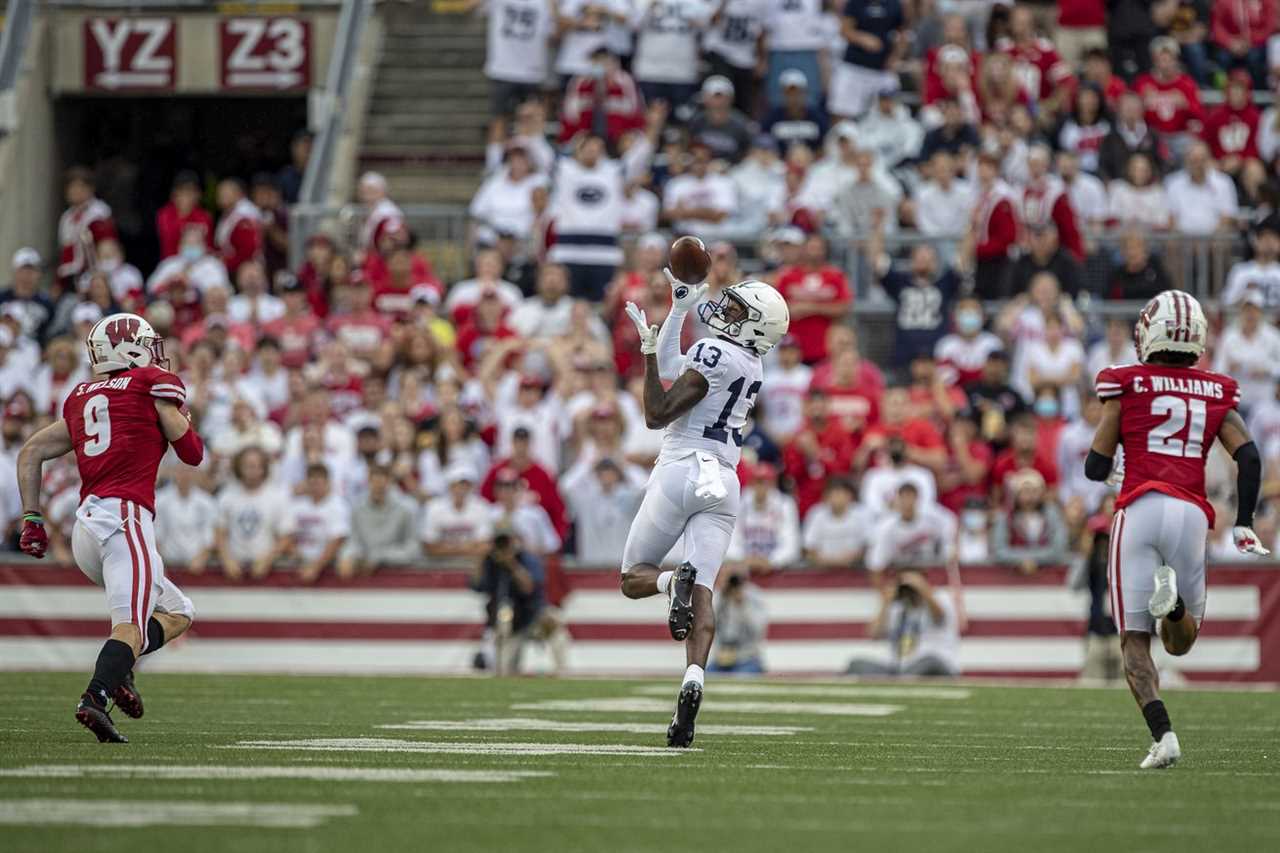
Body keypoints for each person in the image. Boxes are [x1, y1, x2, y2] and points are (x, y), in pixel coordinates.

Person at [1087, 290, 1268, 769]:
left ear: (1151, 330)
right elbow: (1249, 457)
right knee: (1181, 640)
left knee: (1134, 641)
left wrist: (1113, 466)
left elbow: (1094, 464)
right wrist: (1245, 520)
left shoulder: (1124, 383)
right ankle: (1176, 606)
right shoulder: (1215, 390)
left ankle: (1164, 736)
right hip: (1191, 514)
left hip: (1140, 507)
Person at [620, 263, 789, 747]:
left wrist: (648, 356)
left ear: (752, 324)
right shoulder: (751, 362)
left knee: (634, 578)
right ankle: (694, 677)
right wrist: (678, 309)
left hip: (681, 468)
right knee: (705, 593)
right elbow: (684, 366)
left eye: (737, 308)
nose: (726, 309)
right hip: (723, 479)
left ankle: (671, 581)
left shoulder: (716, 350)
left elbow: (658, 412)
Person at [15, 312, 204, 742]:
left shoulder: (81, 395)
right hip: (125, 521)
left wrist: (32, 516)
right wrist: (170, 406)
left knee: (178, 612)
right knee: (130, 627)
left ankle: (118, 674)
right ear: (130, 348)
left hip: (87, 528)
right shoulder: (149, 385)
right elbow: (192, 454)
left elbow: (31, 451)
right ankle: (96, 697)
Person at [845, 569, 961, 676]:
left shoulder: (940, 598)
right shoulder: (897, 608)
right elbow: (873, 634)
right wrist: (885, 603)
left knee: (927, 661)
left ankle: (899, 683)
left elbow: (940, 617)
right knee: (855, 664)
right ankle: (900, 682)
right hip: (900, 668)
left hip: (938, 665)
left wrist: (922, 588)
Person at [214, 446, 290, 580]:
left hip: (266, 572)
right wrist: (227, 560)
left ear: (263, 469)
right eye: (247, 466)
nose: (252, 470)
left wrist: (268, 559)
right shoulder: (227, 496)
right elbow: (219, 532)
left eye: (256, 466)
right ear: (239, 468)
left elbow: (286, 537)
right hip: (233, 571)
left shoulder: (277, 498)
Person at [828, 0, 904, 121]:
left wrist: (895, 57)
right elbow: (844, 30)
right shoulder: (855, 3)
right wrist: (862, 39)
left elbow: (903, 33)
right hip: (854, 67)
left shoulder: (894, 4)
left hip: (881, 70)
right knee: (841, 111)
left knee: (894, 110)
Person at [343, 464, 422, 578]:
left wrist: (378, 557)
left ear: (390, 483)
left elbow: (413, 549)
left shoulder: (407, 509)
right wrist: (348, 556)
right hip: (364, 575)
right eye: (374, 483)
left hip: (399, 576)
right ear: (368, 482)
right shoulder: (357, 509)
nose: (378, 488)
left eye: (382, 485)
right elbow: (353, 541)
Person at [153, 463, 217, 573]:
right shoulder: (160, 500)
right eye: (181, 470)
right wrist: (160, 563)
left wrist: (201, 558)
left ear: (196, 474)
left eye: (189, 471)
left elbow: (209, 535)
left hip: (197, 567)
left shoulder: (207, 502)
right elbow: (156, 535)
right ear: (174, 473)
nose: (185, 475)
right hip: (168, 565)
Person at [800, 477, 870, 568]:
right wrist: (827, 561)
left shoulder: (862, 513)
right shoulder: (816, 513)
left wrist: (851, 558)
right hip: (821, 568)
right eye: (832, 494)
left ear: (850, 495)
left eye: (839, 494)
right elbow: (808, 548)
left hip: (855, 567)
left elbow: (868, 545)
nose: (835, 498)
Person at [707, 573, 769, 673]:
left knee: (743, 679)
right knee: (704, 679)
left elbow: (758, 630)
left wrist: (743, 604)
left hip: (747, 659)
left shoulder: (753, 596)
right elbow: (708, 622)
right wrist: (722, 596)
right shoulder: (719, 597)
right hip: (721, 659)